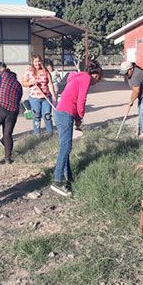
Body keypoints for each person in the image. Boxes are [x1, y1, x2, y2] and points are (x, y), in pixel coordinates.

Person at [50, 61, 102, 197]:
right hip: (66, 114)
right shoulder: (85, 78)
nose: (97, 82)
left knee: (65, 146)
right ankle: (57, 181)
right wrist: (80, 119)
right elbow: (81, 100)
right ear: (95, 74)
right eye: (98, 78)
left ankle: (69, 178)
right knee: (65, 147)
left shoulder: (77, 76)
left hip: (60, 113)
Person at [21, 55, 56, 135]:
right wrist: (30, 83)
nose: (38, 63)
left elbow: (50, 84)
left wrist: (53, 95)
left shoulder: (46, 71)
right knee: (36, 116)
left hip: (46, 97)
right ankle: (37, 134)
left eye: (39, 61)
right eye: (35, 62)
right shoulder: (29, 72)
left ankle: (50, 133)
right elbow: (23, 83)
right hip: (34, 98)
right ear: (33, 63)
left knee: (47, 115)